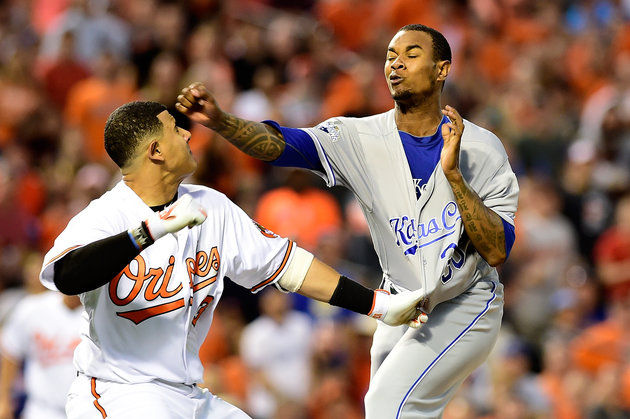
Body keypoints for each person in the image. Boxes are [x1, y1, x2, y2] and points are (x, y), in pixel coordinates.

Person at [177, 23, 519, 418]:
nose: (396, 64)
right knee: (384, 409)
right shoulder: (358, 137)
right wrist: (221, 121)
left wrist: (455, 177)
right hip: (401, 300)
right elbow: (281, 145)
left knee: (388, 405)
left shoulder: (480, 147)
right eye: (390, 56)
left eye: (411, 54)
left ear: (442, 69)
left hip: (467, 300)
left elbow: (496, 250)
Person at [38, 100, 428, 419]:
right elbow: (66, 275)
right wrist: (149, 231)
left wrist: (377, 305)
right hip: (121, 394)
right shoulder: (106, 216)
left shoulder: (212, 206)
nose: (188, 133)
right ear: (155, 151)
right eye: (175, 129)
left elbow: (290, 267)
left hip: (187, 394)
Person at [0, 292, 82, 419]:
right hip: (42, 410)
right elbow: (11, 352)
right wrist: (3, 401)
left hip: (87, 410)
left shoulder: (100, 313)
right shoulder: (32, 308)